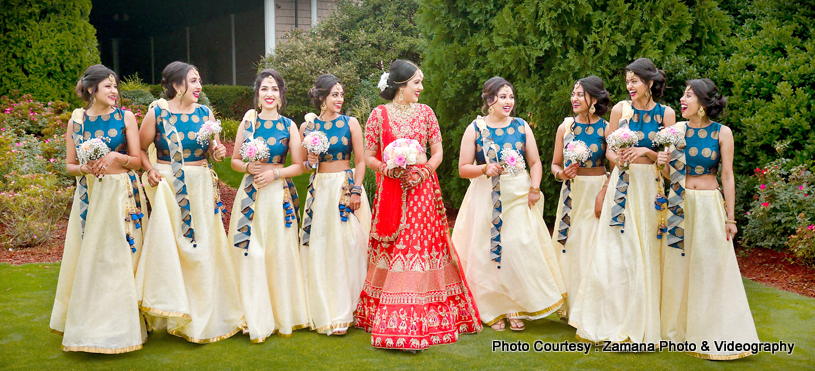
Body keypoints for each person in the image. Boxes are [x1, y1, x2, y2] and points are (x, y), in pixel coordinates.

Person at [354, 60, 481, 351]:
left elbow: (437, 152)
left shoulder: (426, 113)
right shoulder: (378, 115)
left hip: (422, 192)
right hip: (391, 191)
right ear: (400, 86)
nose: (421, 88)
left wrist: (422, 171)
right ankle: (384, 316)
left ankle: (415, 319)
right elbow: (370, 156)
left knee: (415, 250)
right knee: (392, 248)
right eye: (416, 83)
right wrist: (390, 169)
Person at [135, 61, 244, 343]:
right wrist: (150, 169)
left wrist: (218, 150)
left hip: (200, 186)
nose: (199, 86)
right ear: (176, 85)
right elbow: (139, 150)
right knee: (171, 246)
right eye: (193, 81)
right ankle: (173, 307)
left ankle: (203, 312)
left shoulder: (206, 113)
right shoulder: (157, 113)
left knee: (203, 246)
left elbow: (214, 152)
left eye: (199, 81)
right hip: (170, 186)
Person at [571, 58, 676, 344]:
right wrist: (619, 160)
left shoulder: (666, 115)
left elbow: (668, 163)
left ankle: (643, 320)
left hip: (650, 189)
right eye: (627, 81)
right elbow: (608, 151)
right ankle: (611, 318)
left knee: (646, 251)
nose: (629, 86)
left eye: (634, 81)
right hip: (623, 184)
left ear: (649, 83)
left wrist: (647, 152)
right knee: (617, 250)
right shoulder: (620, 110)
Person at [452, 77, 566, 332]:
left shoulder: (522, 126)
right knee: (490, 253)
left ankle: (517, 307)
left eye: (511, 97)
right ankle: (495, 310)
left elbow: (535, 163)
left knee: (517, 246)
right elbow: (463, 168)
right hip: (486, 198)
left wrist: (535, 188)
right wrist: (484, 168)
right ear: (489, 99)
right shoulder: (475, 128)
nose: (508, 102)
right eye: (503, 97)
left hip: (518, 195)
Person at [658, 79, 759, 359]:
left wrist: (730, 218)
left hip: (709, 206)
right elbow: (671, 176)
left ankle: (714, 332)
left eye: (688, 96)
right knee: (679, 267)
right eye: (683, 95)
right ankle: (677, 332)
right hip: (680, 204)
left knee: (710, 267)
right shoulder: (677, 130)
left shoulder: (722, 133)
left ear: (702, 104)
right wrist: (663, 163)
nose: (682, 99)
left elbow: (727, 175)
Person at [50, 64, 147, 353]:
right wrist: (86, 168)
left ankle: (127, 327)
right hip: (92, 197)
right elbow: (69, 165)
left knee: (122, 259)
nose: (115, 91)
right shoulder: (77, 122)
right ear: (92, 89)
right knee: (96, 261)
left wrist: (116, 155)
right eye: (109, 86)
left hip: (123, 194)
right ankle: (93, 326)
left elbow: (138, 160)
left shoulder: (125, 117)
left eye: (116, 86)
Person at [228, 69, 309, 341]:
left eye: (274, 89)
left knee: (276, 252)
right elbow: (234, 162)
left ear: (281, 95)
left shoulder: (289, 126)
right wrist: (247, 167)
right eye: (264, 89)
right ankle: (251, 313)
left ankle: (278, 314)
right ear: (258, 95)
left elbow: (298, 166)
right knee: (251, 252)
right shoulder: (248, 124)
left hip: (277, 196)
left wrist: (275, 173)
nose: (270, 94)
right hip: (250, 195)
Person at [299, 74, 372, 336]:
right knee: (321, 246)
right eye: (334, 95)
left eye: (341, 94)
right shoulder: (307, 128)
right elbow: (304, 166)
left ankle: (349, 309)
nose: (339, 99)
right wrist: (312, 158)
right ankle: (322, 307)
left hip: (343, 187)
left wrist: (355, 190)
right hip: (320, 190)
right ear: (322, 97)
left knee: (348, 246)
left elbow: (361, 161)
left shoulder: (350, 123)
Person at [550, 76, 611, 323]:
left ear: (593, 99)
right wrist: (561, 174)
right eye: (573, 93)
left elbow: (617, 165)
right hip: (572, 193)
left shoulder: (606, 128)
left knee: (593, 248)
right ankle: (572, 308)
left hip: (596, 190)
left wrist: (605, 190)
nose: (574, 98)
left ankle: (592, 309)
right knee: (572, 247)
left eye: (580, 94)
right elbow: (554, 164)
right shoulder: (565, 127)